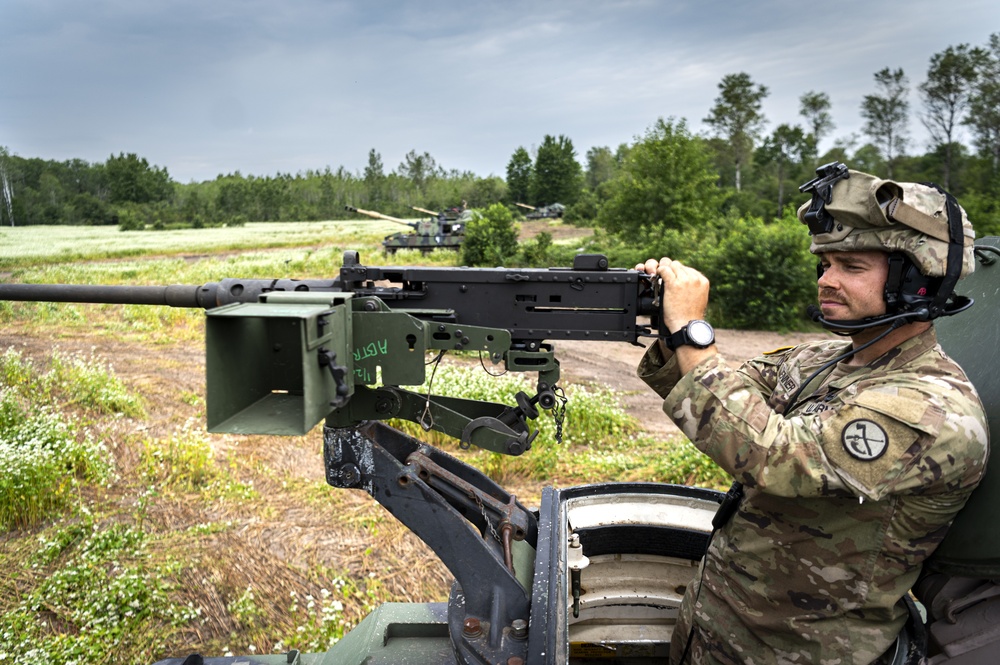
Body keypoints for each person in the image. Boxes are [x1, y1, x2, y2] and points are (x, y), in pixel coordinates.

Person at [634, 164, 989, 665]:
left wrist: (691, 329)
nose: (827, 280)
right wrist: (658, 316)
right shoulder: (827, 359)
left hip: (798, 652)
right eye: (825, 265)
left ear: (917, 278)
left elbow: (771, 455)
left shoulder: (931, 407)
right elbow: (724, 401)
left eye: (851, 266)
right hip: (717, 630)